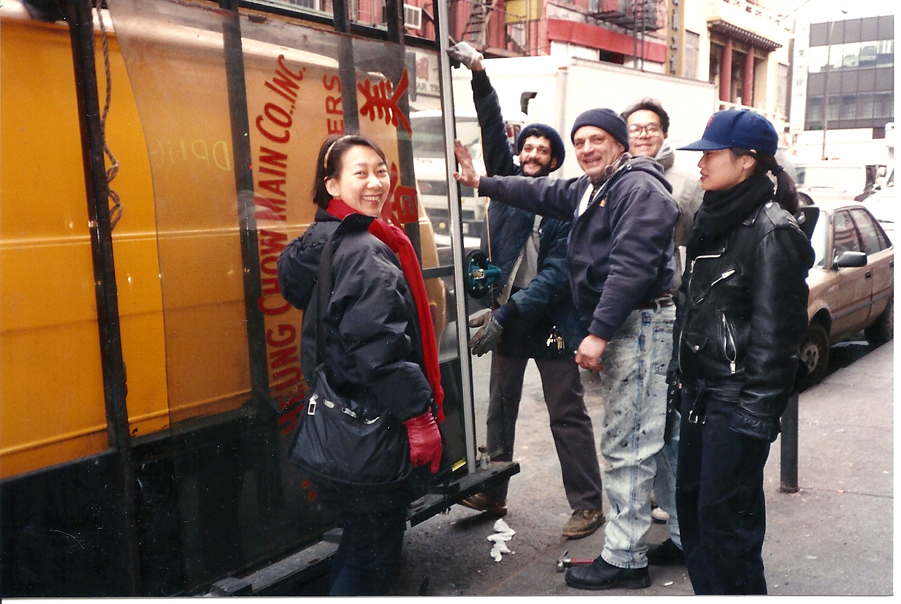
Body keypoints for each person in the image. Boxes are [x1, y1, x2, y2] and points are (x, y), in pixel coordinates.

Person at [454, 108, 680, 590]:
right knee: (654, 439)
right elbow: (538, 191)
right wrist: (482, 181)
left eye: (597, 139)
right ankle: (683, 535)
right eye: (580, 140)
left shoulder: (636, 187)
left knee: (628, 444)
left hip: (635, 323)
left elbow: (632, 267)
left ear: (620, 144)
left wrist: (597, 331)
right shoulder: (596, 187)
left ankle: (624, 557)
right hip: (628, 322)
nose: (587, 148)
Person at [446, 42, 606, 539]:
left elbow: (557, 276)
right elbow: (492, 128)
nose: (534, 154)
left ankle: (588, 504)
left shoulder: (563, 204)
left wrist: (505, 313)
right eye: (528, 148)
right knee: (499, 411)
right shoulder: (505, 187)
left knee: (566, 414)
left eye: (544, 150)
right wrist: (479, 73)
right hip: (510, 317)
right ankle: (494, 492)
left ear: (555, 161)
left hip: (552, 324)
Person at [277, 134, 445, 596]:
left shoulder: (320, 240)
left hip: (341, 426)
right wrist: (419, 417)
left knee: (358, 540)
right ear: (331, 185)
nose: (376, 182)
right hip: (375, 424)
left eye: (381, 170)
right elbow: (381, 347)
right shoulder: (366, 250)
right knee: (372, 557)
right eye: (360, 173)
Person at [671, 109, 814, 594]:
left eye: (710, 154)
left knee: (727, 528)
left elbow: (778, 343)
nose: (701, 165)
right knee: (693, 513)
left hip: (736, 406)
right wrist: (681, 378)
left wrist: (754, 421)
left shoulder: (772, 232)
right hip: (701, 397)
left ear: (747, 162)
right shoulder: (716, 220)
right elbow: (695, 310)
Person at [619, 98, 703, 566]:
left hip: (665, 312)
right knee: (642, 426)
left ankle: (680, 531)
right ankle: (674, 523)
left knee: (665, 422)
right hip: (624, 318)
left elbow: (697, 245)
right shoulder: (615, 177)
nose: (644, 135)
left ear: (664, 132)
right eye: (635, 128)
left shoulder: (687, 184)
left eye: (651, 128)